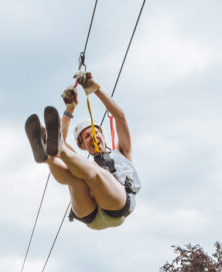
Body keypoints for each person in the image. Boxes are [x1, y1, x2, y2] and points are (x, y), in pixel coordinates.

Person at [24, 69, 140, 231]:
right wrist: (69, 108)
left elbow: (120, 117)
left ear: (102, 135)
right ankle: (48, 158)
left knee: (91, 171)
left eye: (95, 132)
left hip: (117, 206)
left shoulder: (122, 152)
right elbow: (60, 140)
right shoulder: (82, 164)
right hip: (90, 214)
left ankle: (56, 153)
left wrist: (96, 90)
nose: (92, 137)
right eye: (86, 137)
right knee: (75, 177)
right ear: (82, 146)